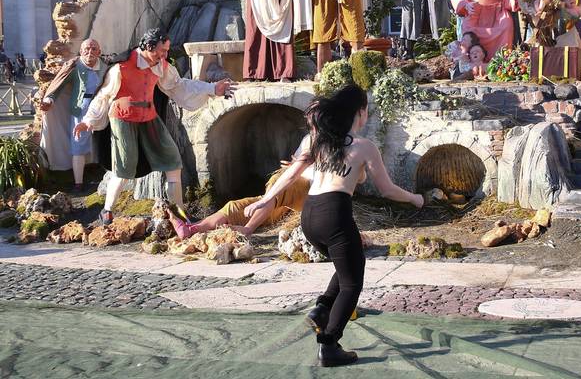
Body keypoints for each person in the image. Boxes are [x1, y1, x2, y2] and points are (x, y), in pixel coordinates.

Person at [243, 84, 423, 367]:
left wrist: (265, 200)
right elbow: (387, 190)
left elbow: (290, 175)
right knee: (353, 283)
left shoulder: (316, 142)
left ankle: (322, 309)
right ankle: (329, 345)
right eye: (367, 110)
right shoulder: (364, 147)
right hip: (335, 215)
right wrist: (415, 198)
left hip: (310, 216)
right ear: (360, 112)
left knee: (349, 262)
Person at [74, 29, 233, 225]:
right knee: (123, 169)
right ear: (148, 47)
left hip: (149, 118)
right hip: (123, 120)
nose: (165, 55)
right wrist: (88, 120)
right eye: (161, 51)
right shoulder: (121, 67)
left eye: (166, 51)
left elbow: (178, 86)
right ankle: (106, 212)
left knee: (173, 162)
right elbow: (103, 96)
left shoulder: (162, 67)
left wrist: (211, 88)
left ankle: (179, 215)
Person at [167, 163, 310, 237]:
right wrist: (294, 163)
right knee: (234, 206)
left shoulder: (322, 137)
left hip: (308, 191)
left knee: (276, 184)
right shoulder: (308, 138)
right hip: (285, 197)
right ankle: (192, 229)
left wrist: (298, 165)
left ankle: (248, 229)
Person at [38, 39, 108, 190]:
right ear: (81, 51)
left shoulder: (105, 67)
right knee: (78, 143)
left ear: (99, 51)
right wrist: (49, 100)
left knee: (104, 140)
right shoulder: (74, 66)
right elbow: (58, 85)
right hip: (80, 109)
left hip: (102, 108)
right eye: (86, 49)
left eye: (93, 49)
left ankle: (105, 175)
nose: (90, 52)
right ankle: (78, 182)